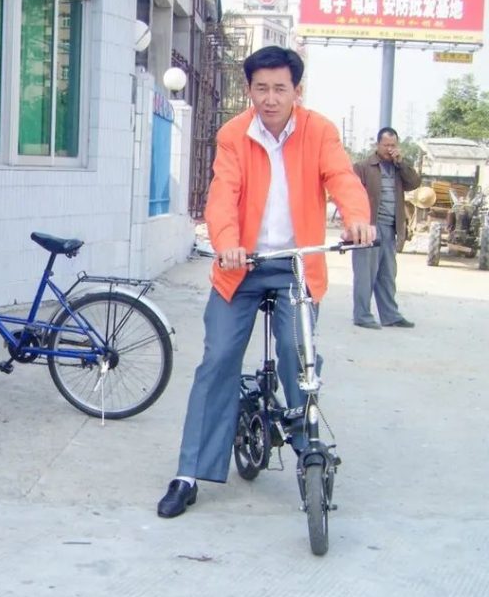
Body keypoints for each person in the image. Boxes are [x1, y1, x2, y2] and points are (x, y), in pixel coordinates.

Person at [156, 46, 375, 519]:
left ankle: (304, 449)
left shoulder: (320, 131)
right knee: (218, 359)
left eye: (280, 88)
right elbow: (223, 194)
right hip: (241, 265)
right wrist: (228, 243)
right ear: (249, 90)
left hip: (296, 265)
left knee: (298, 353)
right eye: (261, 89)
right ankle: (189, 473)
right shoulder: (234, 135)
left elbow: (342, 177)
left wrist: (357, 218)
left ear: (297, 90)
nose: (271, 98)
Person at [351, 127, 420, 329]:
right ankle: (362, 315)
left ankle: (390, 315)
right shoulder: (363, 167)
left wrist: (401, 163)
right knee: (365, 273)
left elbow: (414, 183)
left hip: (391, 227)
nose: (390, 149)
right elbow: (351, 196)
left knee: (387, 274)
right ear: (377, 145)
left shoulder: (398, 168)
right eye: (386, 145)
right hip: (369, 227)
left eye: (393, 145)